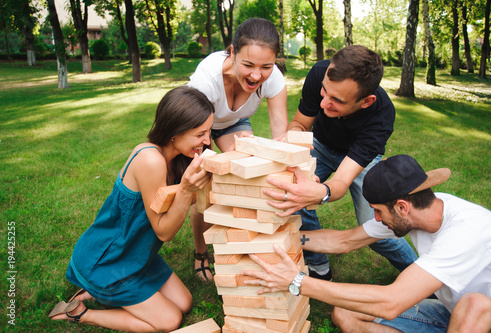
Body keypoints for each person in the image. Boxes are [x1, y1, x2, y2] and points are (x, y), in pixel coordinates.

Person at [243, 155, 491, 332]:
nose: (375, 218)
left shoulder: (466, 233)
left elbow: (392, 303)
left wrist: (298, 282)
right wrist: (282, 239)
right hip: (451, 313)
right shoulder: (419, 209)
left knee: (475, 304)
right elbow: (344, 240)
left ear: (401, 207)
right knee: (345, 314)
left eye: (377, 211)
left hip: (488, 319)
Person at [48, 86, 214, 332]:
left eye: (209, 131)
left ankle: (99, 293)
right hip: (109, 260)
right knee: (170, 320)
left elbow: (188, 203)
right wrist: (187, 189)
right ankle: (82, 313)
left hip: (137, 255)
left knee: (185, 302)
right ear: (174, 132)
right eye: (200, 134)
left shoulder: (179, 159)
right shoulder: (150, 159)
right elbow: (164, 232)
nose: (208, 141)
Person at [264, 45, 417, 280]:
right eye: (324, 93)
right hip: (320, 145)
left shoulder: (381, 118)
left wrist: (319, 191)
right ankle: (318, 268)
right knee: (292, 196)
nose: (323, 105)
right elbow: (301, 124)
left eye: (337, 101)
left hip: (360, 160)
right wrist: (293, 137)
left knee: (376, 229)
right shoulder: (320, 73)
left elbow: (341, 182)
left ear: (366, 101)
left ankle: (425, 276)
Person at [186, 17, 288, 280]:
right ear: (232, 52)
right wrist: (211, 161)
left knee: (249, 174)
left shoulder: (273, 77)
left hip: (233, 121)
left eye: (266, 66)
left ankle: (245, 248)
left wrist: (287, 170)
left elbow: (280, 139)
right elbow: (198, 133)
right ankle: (201, 254)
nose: (257, 75)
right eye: (248, 65)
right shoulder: (207, 78)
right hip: (196, 123)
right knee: (204, 185)